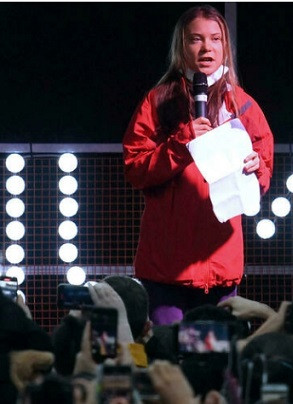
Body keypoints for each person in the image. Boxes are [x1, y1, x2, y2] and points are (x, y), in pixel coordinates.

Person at [122, 5, 274, 325]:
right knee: (169, 360)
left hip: (220, 269)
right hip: (166, 271)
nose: (207, 48)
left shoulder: (243, 104)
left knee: (213, 365)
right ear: (182, 46)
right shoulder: (158, 101)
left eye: (215, 39)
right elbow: (136, 168)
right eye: (196, 39)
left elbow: (264, 170)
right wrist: (183, 144)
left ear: (225, 46)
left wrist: (255, 169)